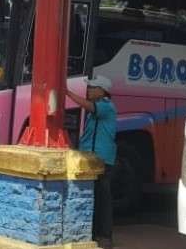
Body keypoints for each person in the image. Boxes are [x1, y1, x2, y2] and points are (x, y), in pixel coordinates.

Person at [66, 76, 117, 249]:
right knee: (93, 198)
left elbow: (88, 105)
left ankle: (105, 236)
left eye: (92, 88)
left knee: (103, 199)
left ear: (102, 91)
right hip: (91, 158)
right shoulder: (98, 109)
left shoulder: (106, 107)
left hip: (102, 160)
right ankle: (94, 234)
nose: (88, 91)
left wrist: (67, 93)